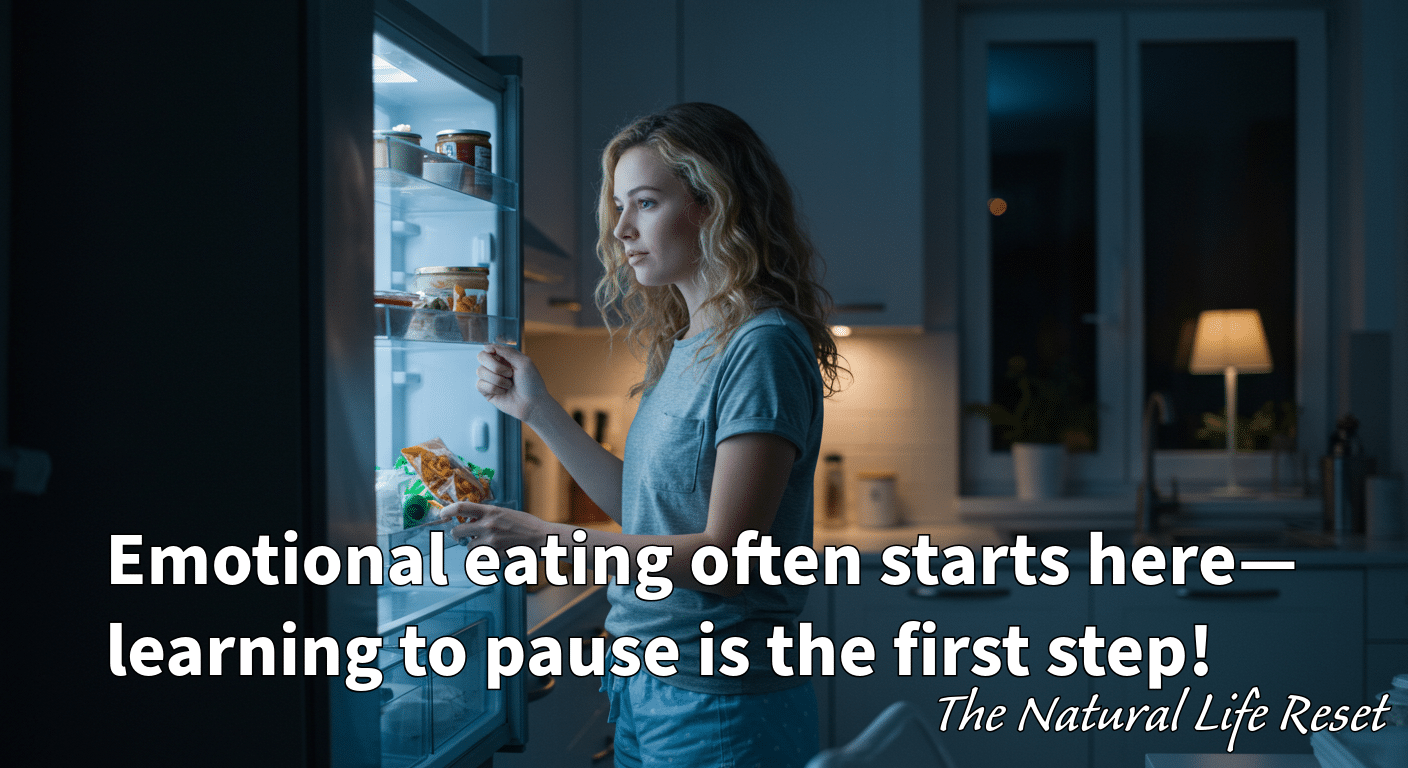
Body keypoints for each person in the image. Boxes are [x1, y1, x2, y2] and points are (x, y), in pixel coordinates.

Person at [442, 102, 846, 768]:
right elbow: (646, 509)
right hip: (648, 685)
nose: (623, 230)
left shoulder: (762, 347)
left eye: (646, 203)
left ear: (713, 206)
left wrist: (549, 538)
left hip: (718, 701)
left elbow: (729, 561)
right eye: (620, 206)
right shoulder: (691, 343)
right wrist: (538, 411)